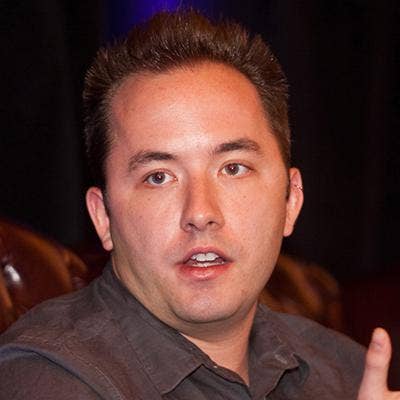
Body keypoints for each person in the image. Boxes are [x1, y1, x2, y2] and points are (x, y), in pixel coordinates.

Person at [0, 10, 397, 400]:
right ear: (103, 217)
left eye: (233, 168)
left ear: (291, 200)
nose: (201, 213)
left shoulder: (346, 372)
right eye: (159, 177)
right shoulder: (44, 379)